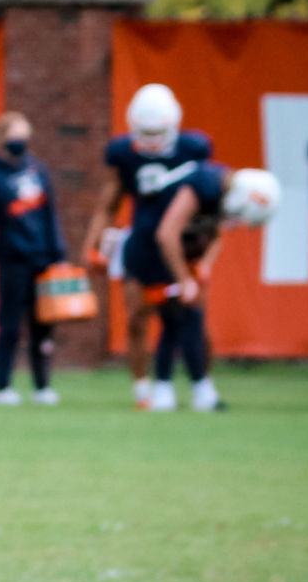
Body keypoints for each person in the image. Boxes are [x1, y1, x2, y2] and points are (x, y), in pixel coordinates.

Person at [81, 83, 213, 408]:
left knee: (192, 318)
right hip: (141, 245)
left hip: (182, 247)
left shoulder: (193, 149)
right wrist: (93, 245)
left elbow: (208, 203)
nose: (152, 140)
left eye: (158, 132)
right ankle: (143, 389)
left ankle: (202, 386)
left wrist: (206, 252)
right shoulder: (124, 154)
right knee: (137, 318)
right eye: (146, 132)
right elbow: (108, 205)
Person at [132, 163, 278, 411]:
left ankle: (175, 389)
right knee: (181, 317)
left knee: (182, 319)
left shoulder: (221, 192)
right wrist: (184, 279)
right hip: (152, 254)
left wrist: (205, 265)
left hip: (182, 254)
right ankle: (184, 389)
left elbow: (215, 234)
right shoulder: (205, 186)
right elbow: (166, 234)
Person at [0, 112, 67, 405]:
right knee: (10, 324)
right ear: (3, 138)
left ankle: (42, 386)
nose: (20, 141)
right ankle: (3, 386)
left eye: (24, 136)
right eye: (15, 135)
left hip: (42, 257)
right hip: (12, 258)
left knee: (43, 325)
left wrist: (59, 253)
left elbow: (50, 215)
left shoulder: (37, 170)